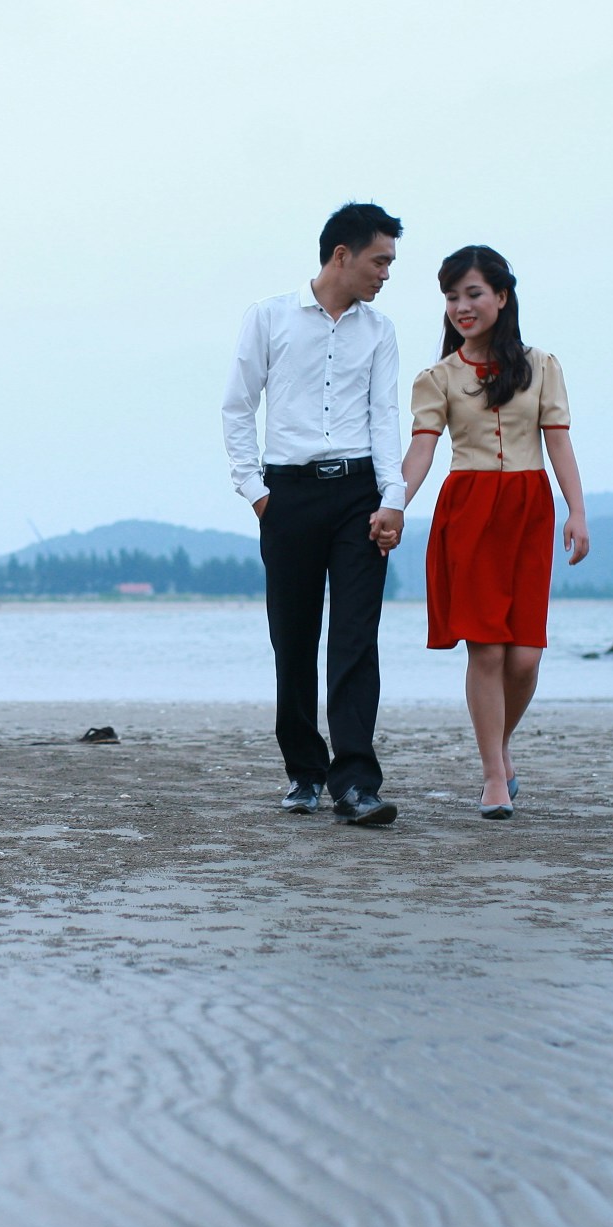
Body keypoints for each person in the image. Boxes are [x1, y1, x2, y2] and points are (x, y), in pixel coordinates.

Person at [221, 202, 410, 826]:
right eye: (380, 260)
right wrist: (257, 492)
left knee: (356, 637)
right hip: (289, 495)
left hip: (359, 493)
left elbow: (385, 418)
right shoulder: (269, 317)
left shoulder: (379, 331)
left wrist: (392, 499)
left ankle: (355, 781)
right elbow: (237, 406)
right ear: (342, 256)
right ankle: (304, 770)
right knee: (294, 637)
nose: (386, 273)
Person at [396, 245, 589, 818]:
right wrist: (395, 506)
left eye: (473, 293)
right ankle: (492, 779)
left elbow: (558, 443)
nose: (462, 306)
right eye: (452, 297)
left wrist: (577, 511)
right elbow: (422, 451)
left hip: (529, 510)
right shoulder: (438, 377)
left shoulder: (542, 365)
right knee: (487, 650)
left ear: (502, 297)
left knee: (526, 656)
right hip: (470, 510)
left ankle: (499, 746)